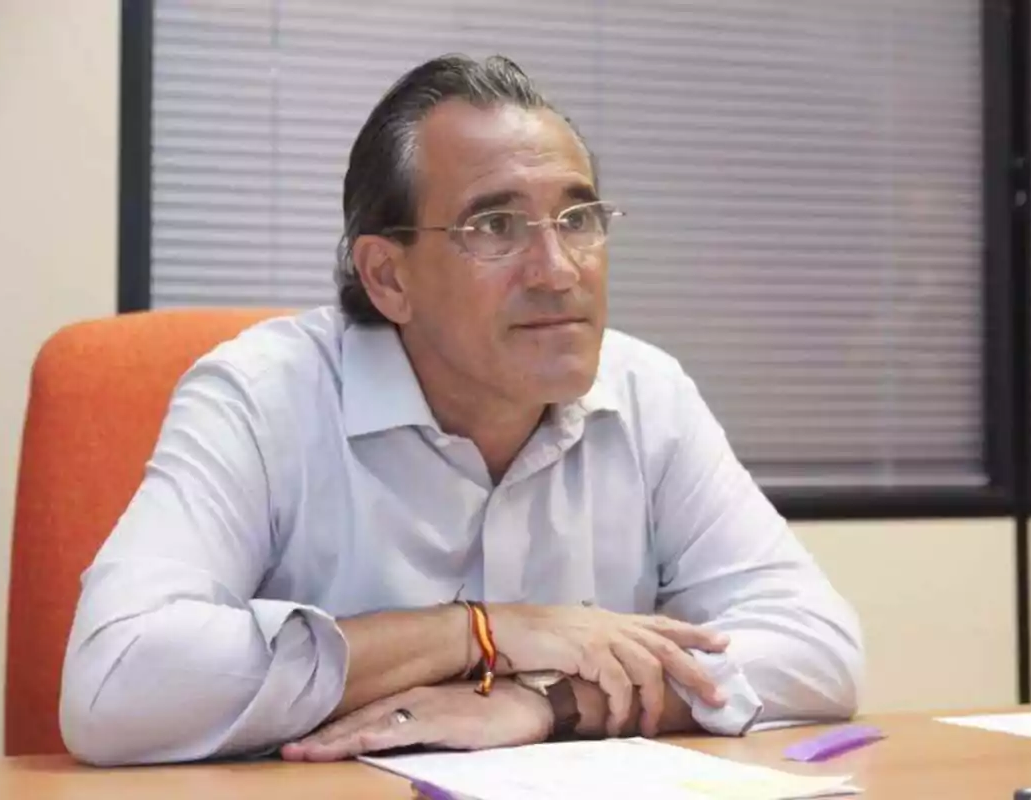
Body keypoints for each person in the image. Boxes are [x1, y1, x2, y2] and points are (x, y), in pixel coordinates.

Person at [59, 54, 864, 767]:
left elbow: (818, 652)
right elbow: (117, 681)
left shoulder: (647, 392)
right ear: (387, 278)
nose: (557, 270)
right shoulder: (263, 394)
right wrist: (482, 632)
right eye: (495, 226)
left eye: (578, 220)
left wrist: (545, 702)